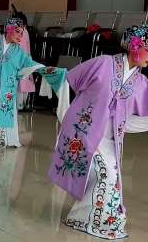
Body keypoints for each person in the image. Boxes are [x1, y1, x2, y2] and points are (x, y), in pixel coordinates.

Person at [48, 26, 148, 240]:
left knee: (114, 180)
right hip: (83, 134)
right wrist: (66, 118)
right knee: (106, 175)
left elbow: (139, 117)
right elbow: (70, 79)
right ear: (135, 47)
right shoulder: (103, 63)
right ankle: (83, 218)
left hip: (110, 140)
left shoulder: (140, 83)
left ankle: (87, 216)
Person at [0, 17, 66, 148]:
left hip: (6, 91)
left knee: (3, 114)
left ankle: (2, 139)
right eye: (18, 32)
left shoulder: (20, 53)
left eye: (22, 33)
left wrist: (54, 71)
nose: (20, 36)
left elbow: (33, 66)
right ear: (9, 29)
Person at [12, 11, 35, 111]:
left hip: (22, 60)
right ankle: (20, 105)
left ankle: (20, 105)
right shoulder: (20, 31)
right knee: (21, 83)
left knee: (23, 83)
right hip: (21, 60)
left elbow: (26, 47)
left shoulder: (23, 32)